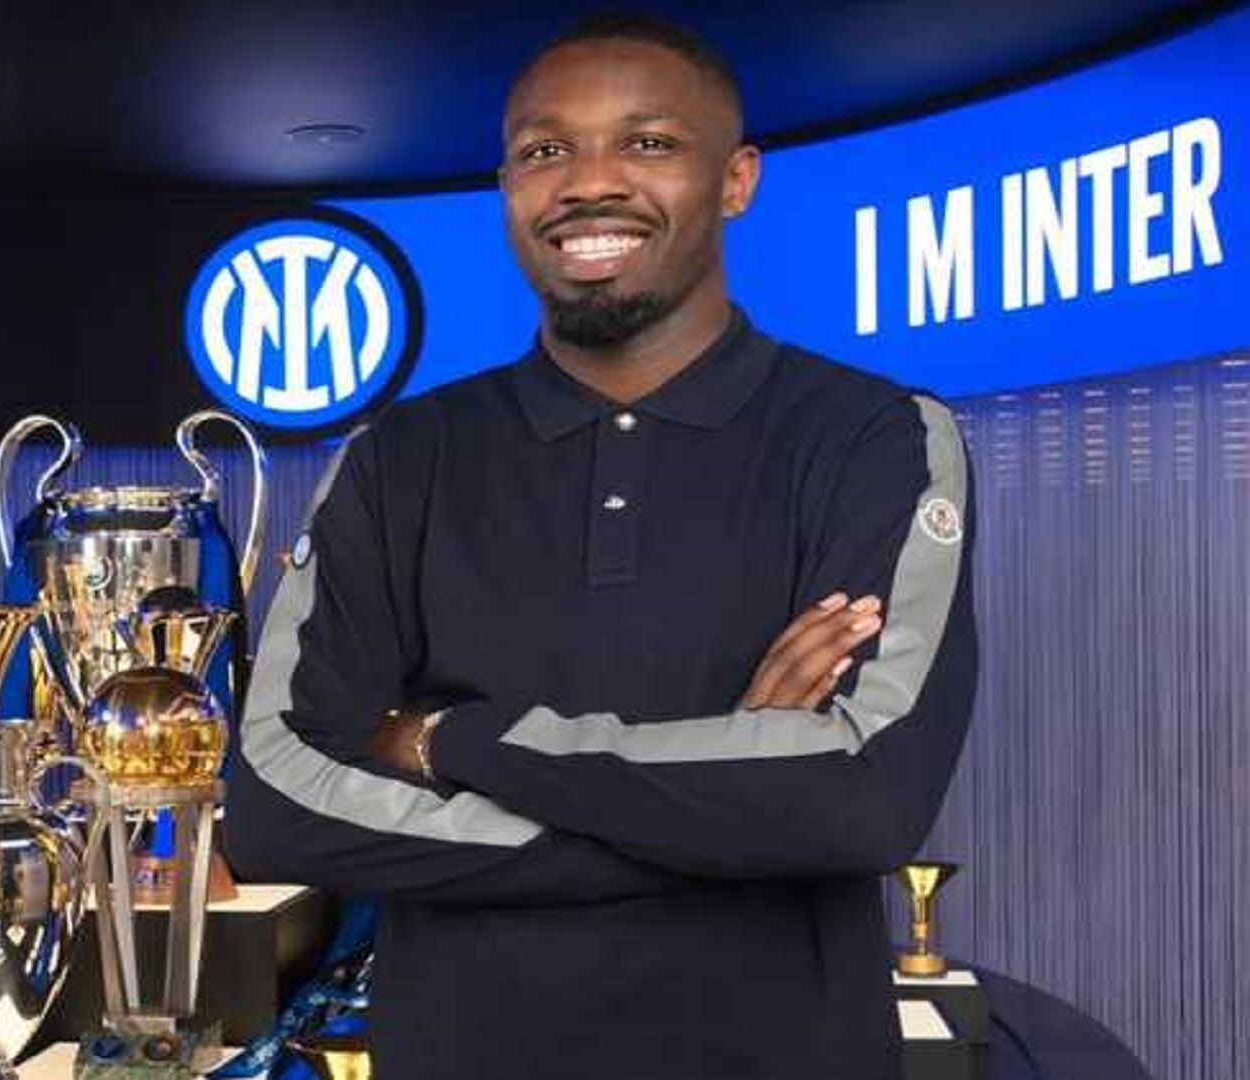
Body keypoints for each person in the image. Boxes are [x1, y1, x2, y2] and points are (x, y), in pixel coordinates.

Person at [223, 12, 977, 1080]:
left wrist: (444, 741)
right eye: (545, 150)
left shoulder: (877, 437)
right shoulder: (399, 458)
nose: (588, 183)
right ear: (507, 189)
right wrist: (728, 802)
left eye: (648, 143)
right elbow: (276, 807)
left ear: (737, 179)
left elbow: (860, 796)